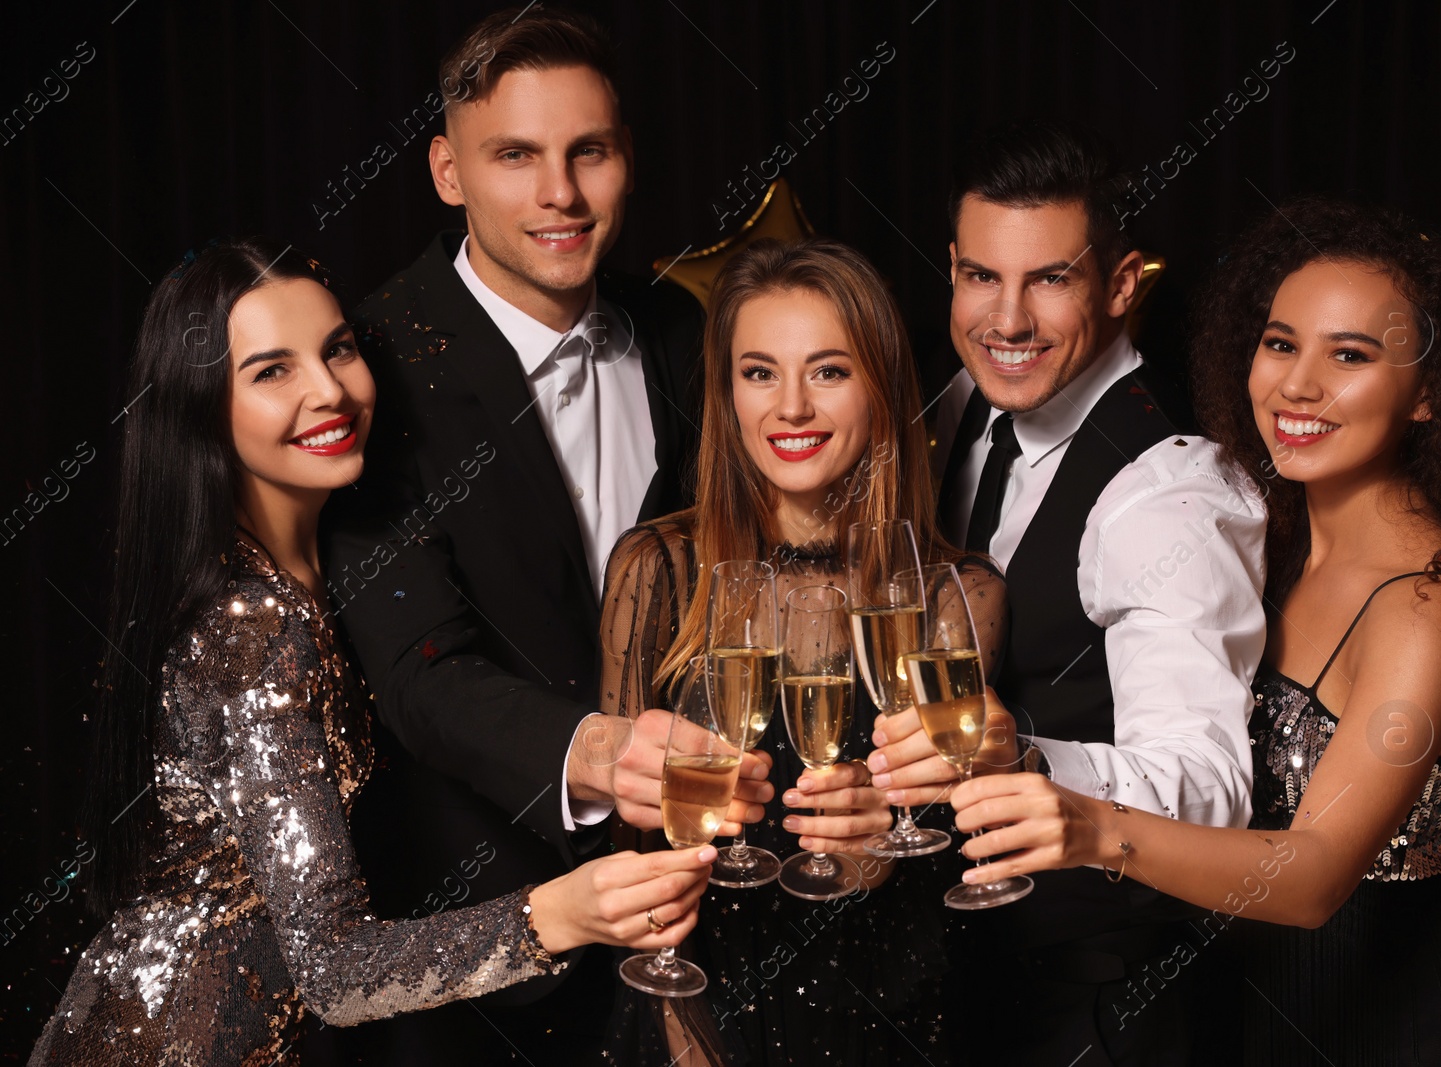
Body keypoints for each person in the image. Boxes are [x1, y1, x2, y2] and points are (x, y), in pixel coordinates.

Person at [30, 240, 716, 1066]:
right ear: (200, 408)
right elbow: (332, 969)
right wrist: (561, 913)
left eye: (339, 349)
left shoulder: (333, 567)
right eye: (272, 371)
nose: (329, 391)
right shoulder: (247, 630)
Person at [948, 197, 1441, 1063]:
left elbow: (1317, 873)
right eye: (1281, 343)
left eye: (1349, 355)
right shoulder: (1272, 542)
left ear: (1430, 391)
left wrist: (1095, 828)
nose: (1297, 385)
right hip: (1263, 1004)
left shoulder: (1429, 609)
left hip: (1410, 1023)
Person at [320, 9, 770, 1059]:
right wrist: (599, 751)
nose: (559, 194)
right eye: (515, 156)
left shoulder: (684, 332)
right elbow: (419, 671)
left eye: (588, 153)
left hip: (699, 925)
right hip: (485, 953)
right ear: (447, 170)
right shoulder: (368, 369)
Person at [868, 119, 1268, 1063]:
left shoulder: (1168, 490)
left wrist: (1033, 762)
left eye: (1050, 279)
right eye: (981, 277)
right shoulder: (951, 401)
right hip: (942, 979)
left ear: (1121, 283)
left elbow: (1212, 790)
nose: (1007, 322)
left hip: (1091, 1004)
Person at [598, 238, 1008, 1065]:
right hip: (695, 1014)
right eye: (758, 372)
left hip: (890, 1017)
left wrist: (874, 850)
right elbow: (631, 858)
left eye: (828, 370)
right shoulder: (660, 570)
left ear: (882, 389)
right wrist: (689, 1046)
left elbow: (942, 853)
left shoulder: (954, 592)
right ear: (725, 393)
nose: (790, 407)